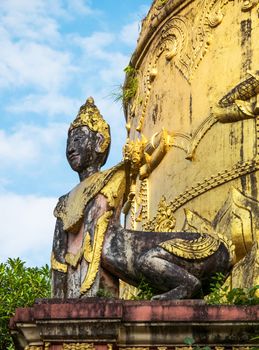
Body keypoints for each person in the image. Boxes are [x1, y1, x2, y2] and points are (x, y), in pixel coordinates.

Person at [51, 97, 234, 300]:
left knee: (147, 261)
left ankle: (188, 286)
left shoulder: (112, 178)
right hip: (115, 258)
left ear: (100, 143)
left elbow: (96, 229)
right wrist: (57, 301)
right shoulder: (64, 202)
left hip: (134, 250)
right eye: (69, 140)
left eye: (78, 139)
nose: (71, 148)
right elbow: (58, 258)